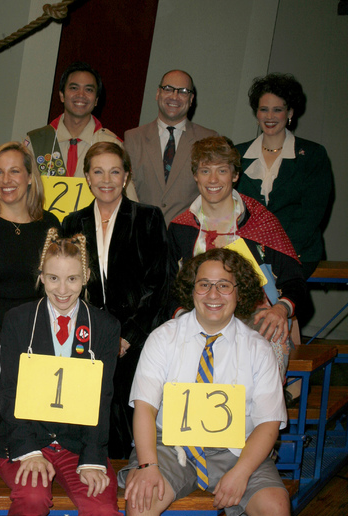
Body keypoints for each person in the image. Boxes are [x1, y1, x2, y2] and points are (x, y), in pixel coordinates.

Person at [121, 249, 303, 516]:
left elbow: (269, 423)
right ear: (192, 289)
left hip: (235, 448)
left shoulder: (257, 348)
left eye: (224, 284)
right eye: (204, 283)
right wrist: (147, 467)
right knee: (141, 499)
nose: (213, 293)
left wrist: (241, 472)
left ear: (240, 293)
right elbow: (144, 408)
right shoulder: (165, 337)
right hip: (171, 443)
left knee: (276, 508)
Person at [0, 230, 123, 516]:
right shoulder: (17, 320)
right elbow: (8, 392)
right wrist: (28, 449)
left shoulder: (104, 326)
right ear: (41, 277)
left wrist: (92, 458)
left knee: (102, 507)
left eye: (71, 279)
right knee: (31, 498)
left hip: (78, 444)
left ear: (85, 276)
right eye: (52, 279)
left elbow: (102, 398)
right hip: (26, 439)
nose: (62, 290)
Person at [63, 142, 169, 457]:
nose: (106, 179)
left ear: (125, 177)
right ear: (86, 176)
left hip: (136, 340)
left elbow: (159, 285)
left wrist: (127, 336)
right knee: (87, 417)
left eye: (114, 171)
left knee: (125, 418)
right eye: (98, 171)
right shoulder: (72, 223)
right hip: (88, 337)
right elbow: (68, 286)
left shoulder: (148, 217)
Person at [168, 136, 307, 374]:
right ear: (195, 175)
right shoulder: (181, 228)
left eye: (222, 170)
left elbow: (295, 281)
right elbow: (166, 286)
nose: (213, 180)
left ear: (235, 175)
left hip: (255, 318)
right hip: (198, 315)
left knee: (262, 363)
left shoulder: (261, 222)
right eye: (205, 170)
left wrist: (281, 309)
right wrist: (182, 319)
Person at [236, 73, 333, 279]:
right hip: (247, 254)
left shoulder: (312, 155)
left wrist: (277, 253)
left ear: (289, 112)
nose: (269, 116)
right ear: (257, 113)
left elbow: (311, 214)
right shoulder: (237, 154)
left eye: (277, 110)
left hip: (296, 253)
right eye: (264, 109)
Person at [0, 142, 60, 332]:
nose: (6, 180)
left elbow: (58, 284)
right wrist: (15, 323)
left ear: (30, 177)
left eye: (14, 171)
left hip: (43, 325)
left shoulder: (50, 224)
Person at [24, 61, 138, 200]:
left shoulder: (112, 145)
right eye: (74, 88)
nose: (81, 94)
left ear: (96, 100)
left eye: (89, 90)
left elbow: (129, 202)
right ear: (61, 95)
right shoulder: (36, 142)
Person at [124, 69, 217, 225]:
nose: (174, 96)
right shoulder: (132, 138)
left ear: (191, 98)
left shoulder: (209, 139)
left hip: (187, 237)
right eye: (168, 89)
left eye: (183, 91)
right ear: (158, 93)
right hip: (139, 234)